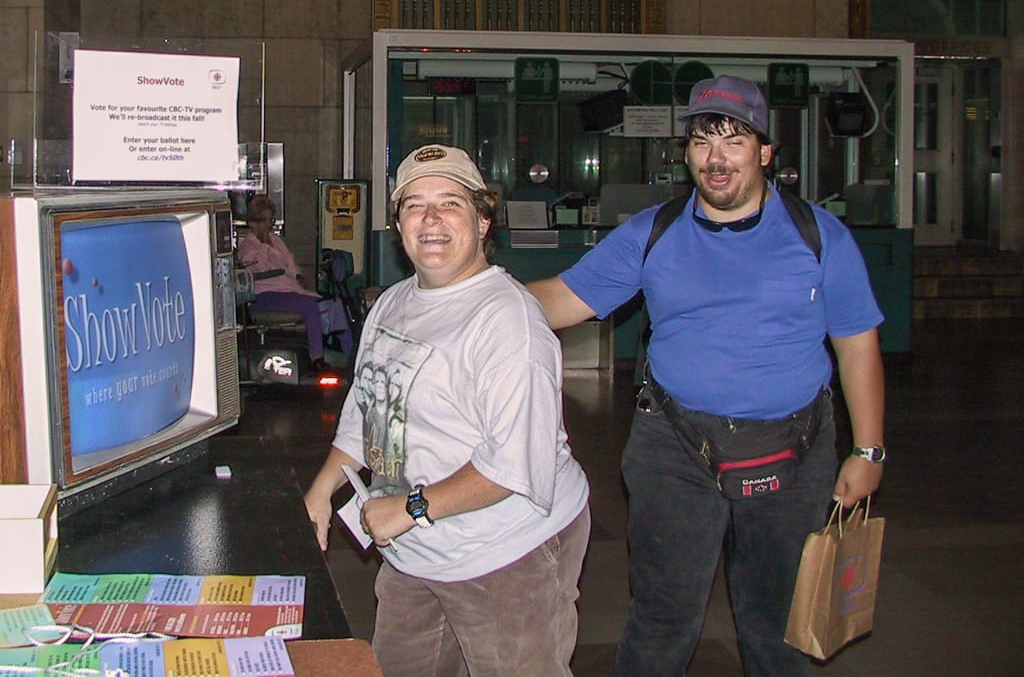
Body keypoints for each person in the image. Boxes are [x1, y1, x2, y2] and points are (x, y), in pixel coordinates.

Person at [527, 75, 885, 677]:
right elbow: (561, 300)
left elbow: (857, 347)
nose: (716, 159)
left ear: (766, 152)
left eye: (734, 141)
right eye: (702, 141)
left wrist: (869, 451)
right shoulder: (653, 234)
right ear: (687, 152)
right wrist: (469, 299)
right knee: (663, 615)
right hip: (675, 451)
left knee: (777, 620)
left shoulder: (820, 237)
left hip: (793, 454)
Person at [304, 143, 591, 677]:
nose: (431, 219)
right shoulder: (393, 301)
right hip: (415, 552)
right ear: (397, 225)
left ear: (483, 221)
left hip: (506, 551)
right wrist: (324, 488)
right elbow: (368, 411)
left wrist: (411, 508)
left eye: (450, 203)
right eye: (414, 205)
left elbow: (512, 466)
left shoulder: (508, 322)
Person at [237, 194, 335, 372]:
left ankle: (348, 354)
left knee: (332, 305)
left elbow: (289, 260)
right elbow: (258, 268)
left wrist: (297, 274)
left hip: (287, 289)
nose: (270, 224)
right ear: (255, 222)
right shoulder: (248, 247)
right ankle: (317, 356)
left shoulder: (276, 240)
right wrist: (265, 246)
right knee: (309, 306)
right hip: (265, 294)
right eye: (266, 220)